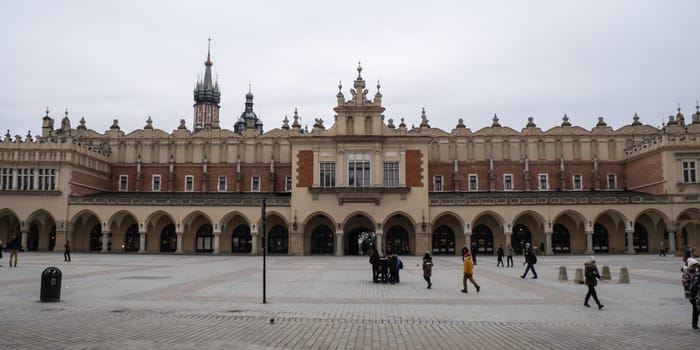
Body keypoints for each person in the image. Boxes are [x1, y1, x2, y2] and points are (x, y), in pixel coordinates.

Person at [682, 258, 699, 329]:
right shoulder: (687, 273)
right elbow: (685, 283)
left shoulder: (696, 272)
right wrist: (693, 285)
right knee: (695, 308)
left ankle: (695, 324)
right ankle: (694, 325)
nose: (695, 267)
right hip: (691, 294)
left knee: (696, 308)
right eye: (694, 266)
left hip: (697, 293)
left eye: (696, 266)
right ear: (690, 266)